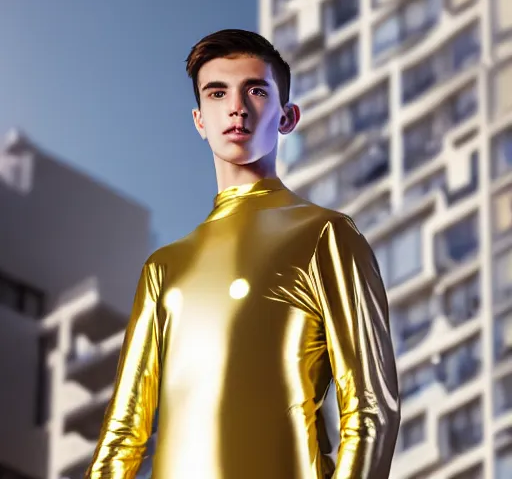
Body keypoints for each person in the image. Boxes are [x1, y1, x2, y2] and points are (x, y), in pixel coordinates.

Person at [85, 28, 400, 479]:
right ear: (199, 120)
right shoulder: (165, 268)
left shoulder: (324, 235)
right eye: (217, 93)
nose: (236, 107)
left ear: (287, 116)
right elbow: (123, 436)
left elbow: (372, 410)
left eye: (255, 90)